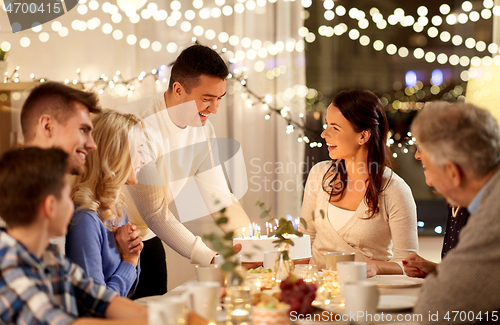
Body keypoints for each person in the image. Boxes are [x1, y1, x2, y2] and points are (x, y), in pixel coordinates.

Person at [117, 44, 248, 298]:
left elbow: (219, 197)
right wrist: (209, 258)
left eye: (219, 99)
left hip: (148, 238)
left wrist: (251, 246)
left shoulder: (203, 129)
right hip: (110, 241)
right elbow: (154, 211)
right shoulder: (140, 127)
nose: (214, 109)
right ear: (178, 89)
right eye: (206, 99)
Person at [0, 147, 147, 324]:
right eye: (67, 196)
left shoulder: (49, 256)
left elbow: (103, 299)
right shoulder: (8, 264)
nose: (73, 204)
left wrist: (161, 315)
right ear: (50, 206)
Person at [300, 89, 418, 275]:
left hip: (364, 295)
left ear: (363, 136)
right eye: (326, 125)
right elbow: (305, 239)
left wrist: (376, 266)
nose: (324, 134)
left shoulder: (395, 190)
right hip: (319, 294)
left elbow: (411, 266)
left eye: (335, 128)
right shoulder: (319, 174)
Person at [409, 102, 500, 323]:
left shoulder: (494, 211)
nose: (418, 159)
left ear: (452, 172)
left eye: (428, 165)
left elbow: (434, 309)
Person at [66, 110, 146, 297]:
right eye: (139, 151)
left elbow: (128, 290)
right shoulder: (84, 220)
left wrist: (133, 255)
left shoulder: (116, 210)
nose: (144, 159)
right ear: (116, 155)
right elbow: (97, 305)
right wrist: (129, 260)